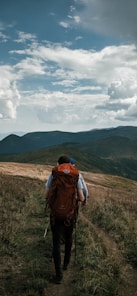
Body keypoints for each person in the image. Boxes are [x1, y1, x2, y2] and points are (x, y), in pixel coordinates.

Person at [45, 155, 85, 284]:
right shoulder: (75, 175)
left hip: (56, 214)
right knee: (68, 238)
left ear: (59, 164)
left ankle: (58, 275)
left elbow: (47, 195)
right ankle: (66, 263)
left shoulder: (54, 173)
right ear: (69, 164)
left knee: (56, 242)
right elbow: (82, 197)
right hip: (70, 214)